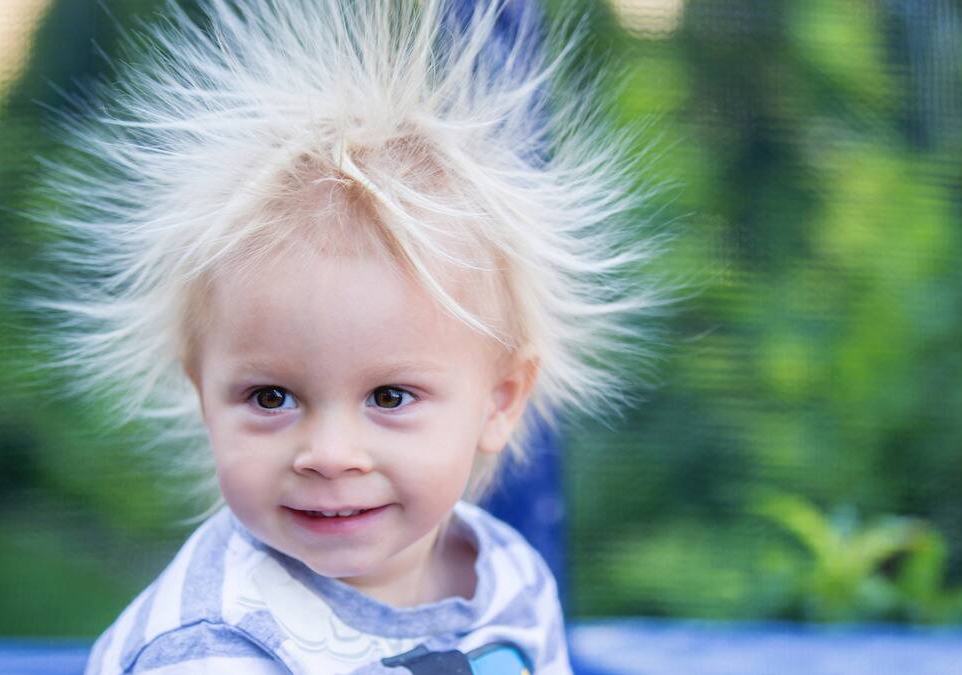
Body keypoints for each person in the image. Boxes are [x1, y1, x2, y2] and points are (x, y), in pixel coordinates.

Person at [39, 0, 666, 672]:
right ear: (203, 393)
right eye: (272, 397)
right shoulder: (215, 646)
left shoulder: (509, 583)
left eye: (390, 396)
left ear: (499, 401)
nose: (330, 454)